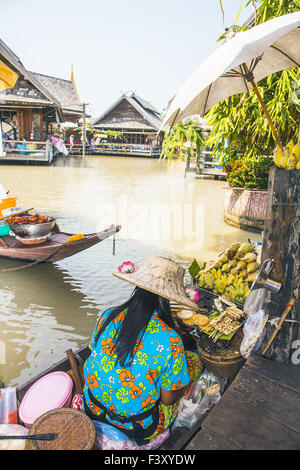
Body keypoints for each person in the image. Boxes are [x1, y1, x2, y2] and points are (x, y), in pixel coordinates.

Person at [83, 256, 202, 446]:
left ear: (137, 286)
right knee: (194, 363)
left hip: (91, 407)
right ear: (169, 298)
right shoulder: (171, 340)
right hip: (136, 426)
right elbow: (168, 399)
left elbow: (95, 354)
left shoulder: (108, 315)